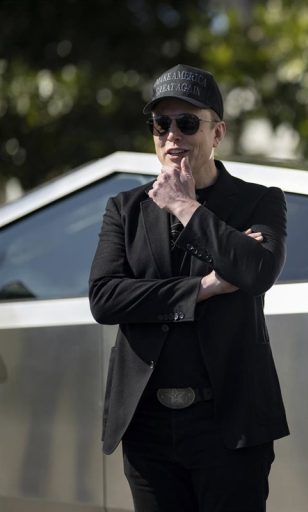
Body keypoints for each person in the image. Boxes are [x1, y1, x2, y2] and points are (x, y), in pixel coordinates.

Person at [89, 64, 289, 512]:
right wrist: (203, 288)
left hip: (229, 424)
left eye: (187, 123)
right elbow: (104, 298)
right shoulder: (125, 209)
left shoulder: (259, 200)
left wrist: (184, 206)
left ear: (217, 133)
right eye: (161, 124)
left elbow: (257, 271)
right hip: (147, 426)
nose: (172, 135)